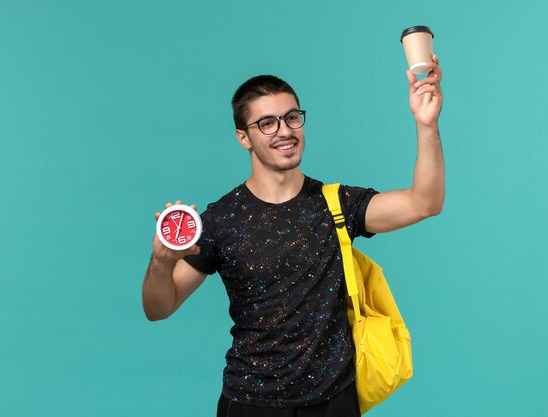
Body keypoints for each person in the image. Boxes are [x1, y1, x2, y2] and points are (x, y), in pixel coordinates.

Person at [142, 56, 444, 417]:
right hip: (251, 404)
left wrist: (426, 124)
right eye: (266, 123)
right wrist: (161, 262)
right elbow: (158, 308)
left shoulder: (336, 205)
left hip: (334, 402)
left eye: (292, 118)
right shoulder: (220, 220)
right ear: (244, 137)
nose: (284, 131)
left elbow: (425, 203)